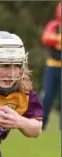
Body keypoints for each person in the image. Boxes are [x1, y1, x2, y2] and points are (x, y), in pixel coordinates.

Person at [41, 2, 61, 130]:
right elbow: (46, 38)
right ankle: (41, 126)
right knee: (47, 97)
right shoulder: (54, 25)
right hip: (52, 66)